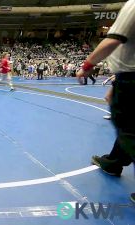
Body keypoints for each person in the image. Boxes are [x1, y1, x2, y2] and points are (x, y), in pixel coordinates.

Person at [76, 0, 135, 203]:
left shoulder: (134, 5)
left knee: (127, 128)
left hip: (131, 79)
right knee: (129, 125)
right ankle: (114, 162)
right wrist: (115, 84)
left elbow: (113, 40)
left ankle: (115, 161)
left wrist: (87, 65)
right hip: (127, 77)